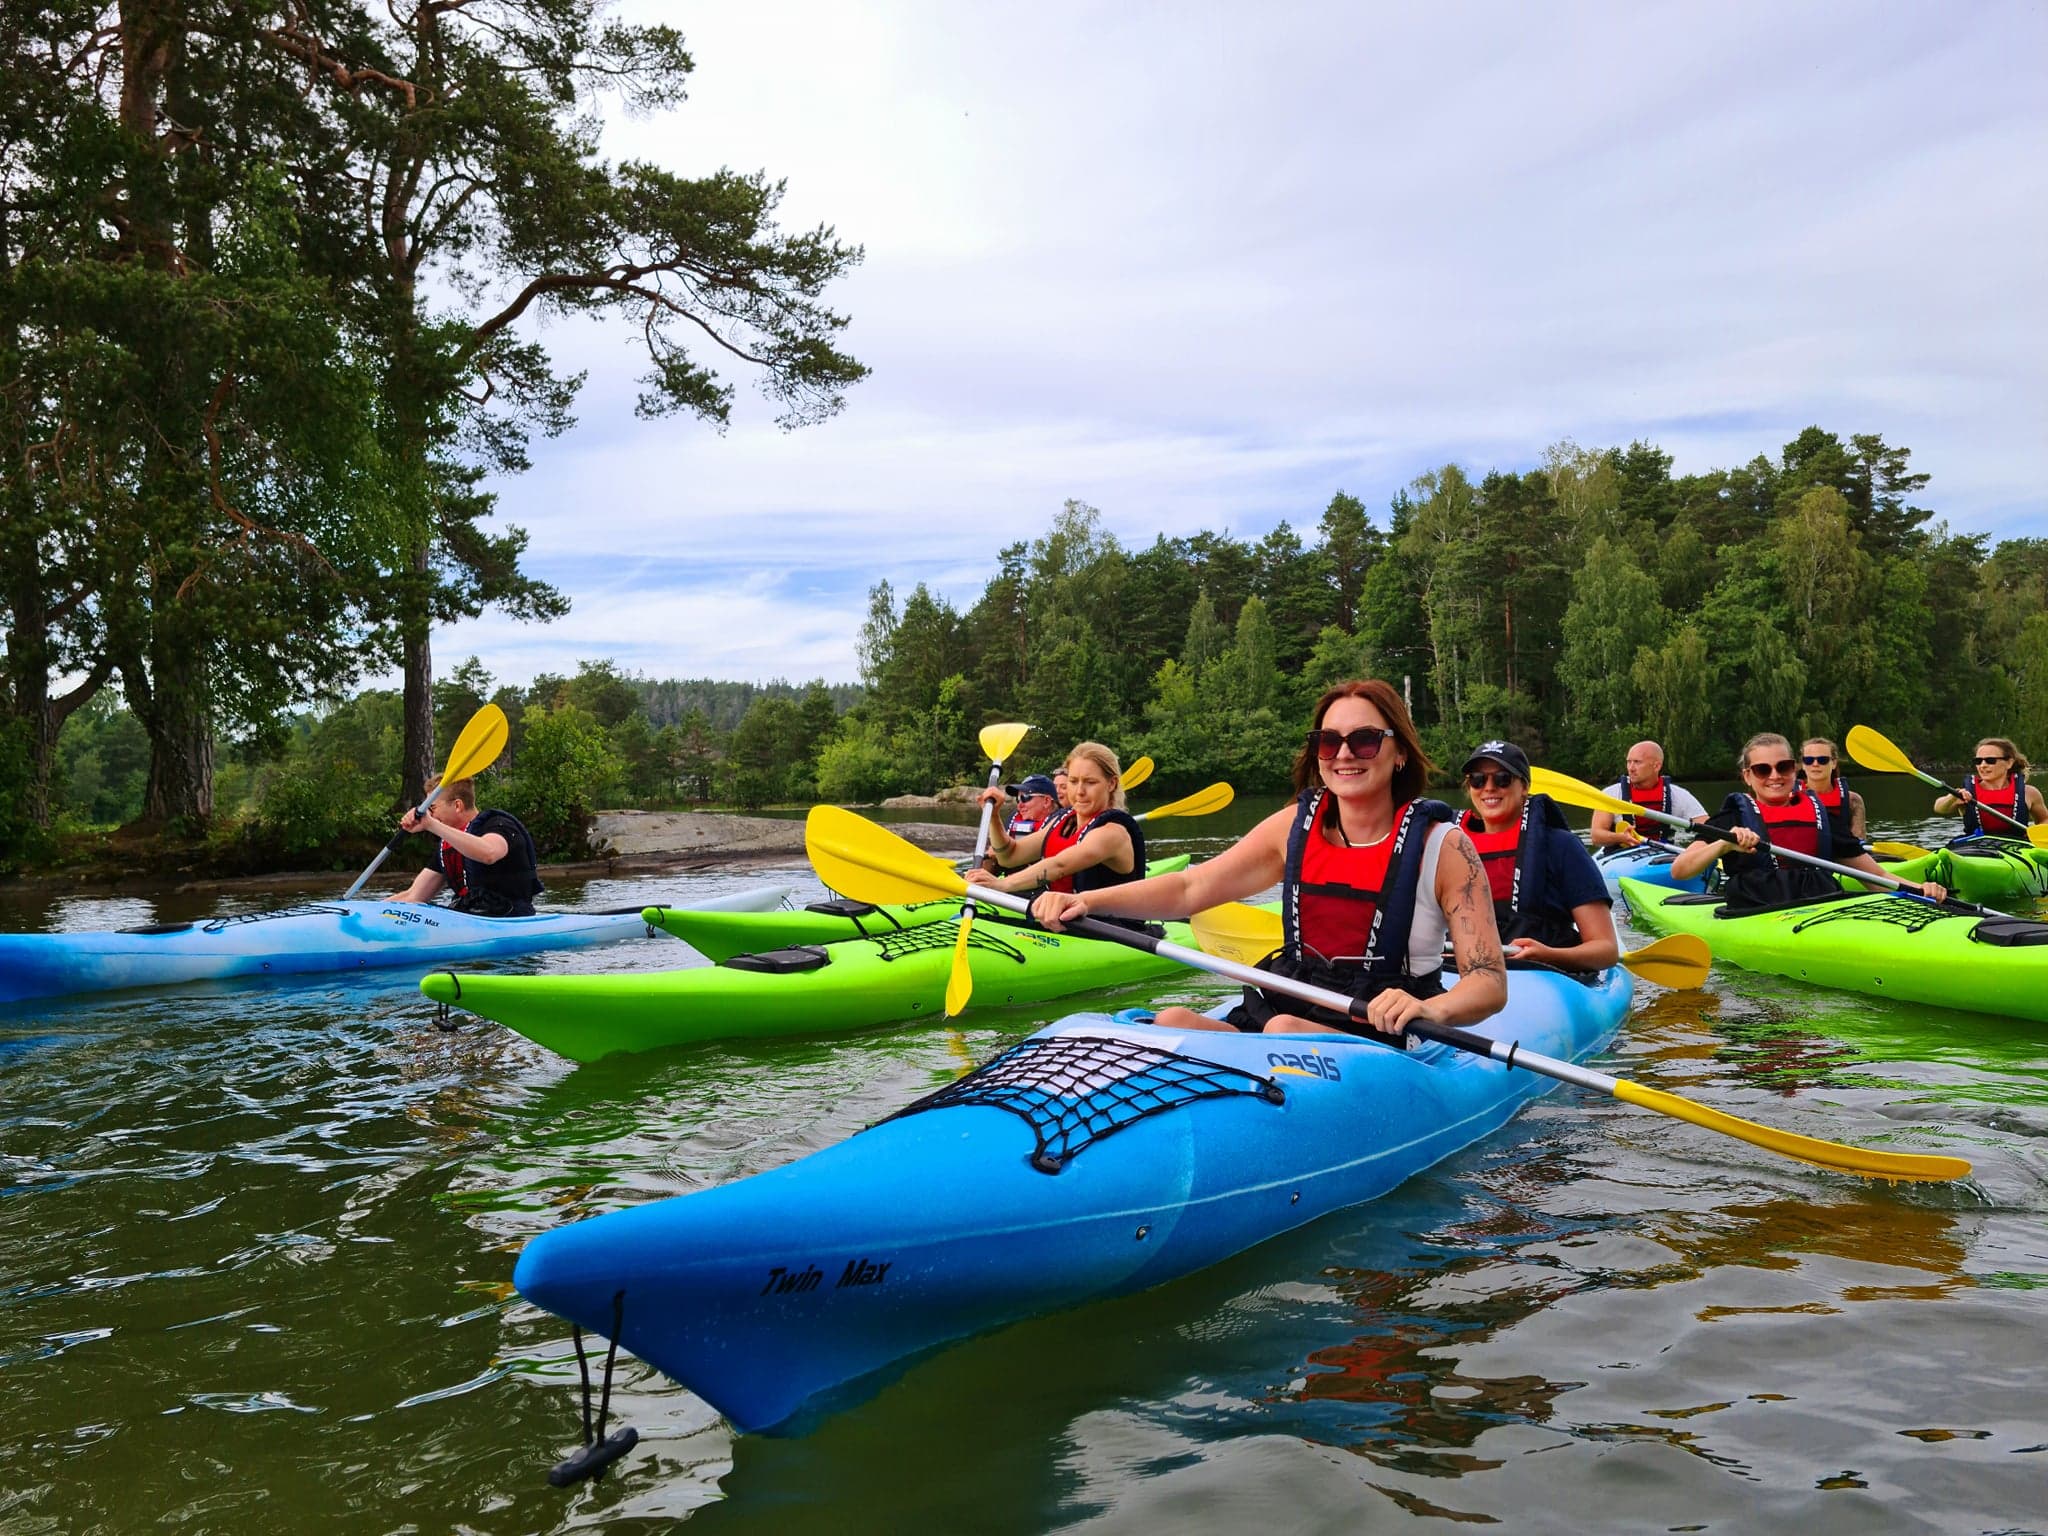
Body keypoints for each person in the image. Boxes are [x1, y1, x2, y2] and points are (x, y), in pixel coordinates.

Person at [1030, 680, 1507, 1038]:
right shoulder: (1293, 828)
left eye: (1363, 740)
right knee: (1175, 1018)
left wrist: (1433, 1011)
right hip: (1293, 996)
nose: (1344, 754)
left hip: (1383, 1020)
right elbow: (1191, 889)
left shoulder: (1445, 846)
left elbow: (1487, 980)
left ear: (1398, 752)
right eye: (1328, 741)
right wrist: (1088, 902)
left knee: (1285, 1031)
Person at [1669, 733, 1944, 910]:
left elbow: (1877, 877)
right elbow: (1680, 871)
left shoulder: (1820, 816)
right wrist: (1723, 846)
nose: (1774, 776)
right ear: (1747, 776)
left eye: (1784, 767)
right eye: (1763, 769)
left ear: (1794, 769)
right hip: (1756, 910)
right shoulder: (1732, 818)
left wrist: (1920, 891)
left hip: (1823, 907)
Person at [1458, 740, 1620, 973]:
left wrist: (1548, 955)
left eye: (1503, 778)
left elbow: (1606, 950)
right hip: (1463, 971)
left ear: (1524, 786)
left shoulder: (1561, 846)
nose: (1489, 787)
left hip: (1542, 973)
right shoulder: (1450, 846)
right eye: (1478, 779)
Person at [969, 744, 1146, 918]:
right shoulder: (1063, 821)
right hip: (1063, 922)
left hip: (1110, 933)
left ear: (1111, 784)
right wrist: (993, 816)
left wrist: (1001, 885)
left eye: (1090, 782)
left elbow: (1059, 866)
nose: (1079, 791)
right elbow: (1009, 857)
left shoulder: (1113, 832)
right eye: (1073, 781)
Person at [391, 775, 544, 917]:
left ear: (458, 805)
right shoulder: (447, 845)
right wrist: (371, 911)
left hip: (509, 917)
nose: (430, 815)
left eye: (432, 808)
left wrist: (431, 824)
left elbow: (489, 853)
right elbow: (413, 896)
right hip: (469, 916)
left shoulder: (499, 825)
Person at [1590, 740, 1708, 848]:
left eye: (1637, 762)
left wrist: (1696, 850)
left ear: (1656, 766)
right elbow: (1596, 836)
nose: (1631, 768)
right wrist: (1621, 837)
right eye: (1629, 762)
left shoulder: (1678, 795)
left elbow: (1707, 826)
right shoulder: (1611, 794)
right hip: (1621, 853)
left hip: (1664, 853)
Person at [1933, 738, 2047, 834]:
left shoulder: (2029, 793)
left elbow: (2044, 819)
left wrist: (2037, 833)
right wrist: (1952, 797)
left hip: (2017, 849)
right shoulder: (1966, 793)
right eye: (1978, 761)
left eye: (1990, 760)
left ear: (2009, 763)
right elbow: (1939, 808)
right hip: (1976, 848)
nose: (1983, 765)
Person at [1798, 736, 1866, 840]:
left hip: (1843, 853)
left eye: (1823, 760)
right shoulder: (1789, 798)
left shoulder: (1853, 800)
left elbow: (1859, 841)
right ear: (1803, 764)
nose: (1815, 764)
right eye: (1809, 760)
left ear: (1834, 763)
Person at [1004, 774, 1060, 838]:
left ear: (1047, 801)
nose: (1019, 806)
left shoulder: (1063, 826)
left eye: (1025, 797)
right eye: (1018, 799)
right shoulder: (1014, 817)